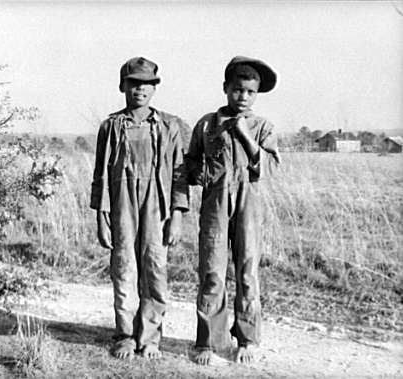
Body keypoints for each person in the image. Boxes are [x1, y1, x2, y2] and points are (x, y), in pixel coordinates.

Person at [90, 57, 190, 360]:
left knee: (155, 270)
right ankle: (124, 336)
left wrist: (178, 216)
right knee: (123, 269)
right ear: (123, 86)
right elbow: (101, 175)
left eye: (147, 84)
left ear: (154, 88)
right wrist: (101, 215)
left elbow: (179, 175)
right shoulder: (110, 126)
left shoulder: (169, 126)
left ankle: (150, 338)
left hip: (157, 207)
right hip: (121, 206)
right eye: (133, 83)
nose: (140, 89)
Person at [185, 56, 280, 365]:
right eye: (238, 90)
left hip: (249, 205)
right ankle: (208, 343)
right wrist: (197, 176)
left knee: (247, 272)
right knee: (212, 271)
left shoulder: (262, 126)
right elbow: (192, 162)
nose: (243, 97)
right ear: (226, 88)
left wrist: (244, 134)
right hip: (215, 204)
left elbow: (269, 167)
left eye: (250, 92)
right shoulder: (207, 123)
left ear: (257, 95)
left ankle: (247, 340)